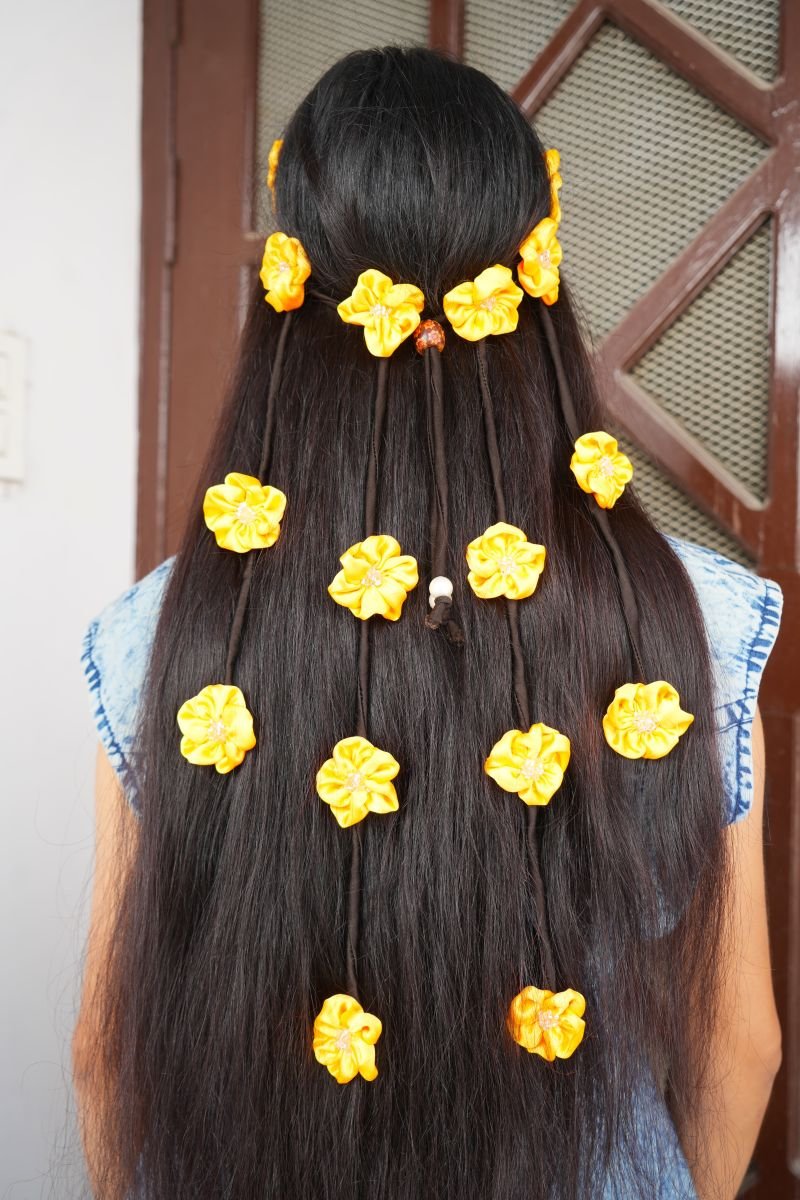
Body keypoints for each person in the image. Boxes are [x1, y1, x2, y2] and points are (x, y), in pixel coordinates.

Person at [72, 46, 783, 1200]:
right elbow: (736, 1045)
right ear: (532, 276)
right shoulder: (683, 621)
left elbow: (108, 1059)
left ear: (291, 291)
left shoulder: (167, 632)